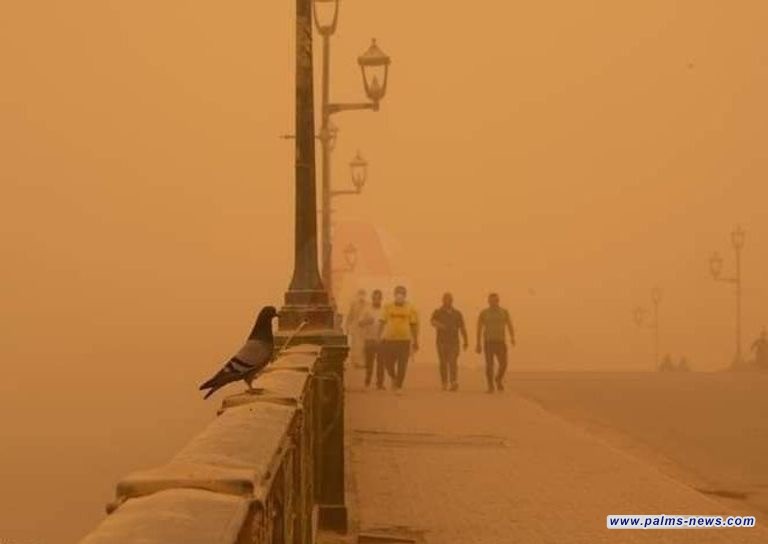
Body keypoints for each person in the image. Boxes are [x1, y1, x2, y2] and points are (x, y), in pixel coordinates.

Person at [379, 286, 419, 390]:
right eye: (398, 293)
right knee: (388, 363)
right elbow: (382, 322)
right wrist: (379, 336)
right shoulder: (388, 306)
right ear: (394, 294)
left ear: (405, 295)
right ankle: (393, 377)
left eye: (402, 293)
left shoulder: (410, 307)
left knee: (402, 364)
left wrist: (415, 340)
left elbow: (413, 325)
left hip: (404, 340)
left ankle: (399, 385)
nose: (400, 295)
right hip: (389, 340)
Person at [476, 293, 515, 393]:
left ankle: (498, 379)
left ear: (498, 301)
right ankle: (490, 386)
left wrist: (512, 337)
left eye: (495, 301)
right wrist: (478, 343)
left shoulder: (504, 312)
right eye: (491, 301)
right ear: (488, 301)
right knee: (489, 365)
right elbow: (479, 328)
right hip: (488, 342)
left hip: (500, 342)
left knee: (504, 364)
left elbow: (509, 325)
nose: (493, 303)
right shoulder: (484, 313)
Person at [430, 292, 468, 391]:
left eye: (450, 299)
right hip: (441, 342)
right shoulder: (438, 311)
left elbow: (462, 327)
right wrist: (441, 326)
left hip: (454, 342)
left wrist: (466, 340)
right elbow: (432, 322)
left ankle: (453, 381)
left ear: (452, 300)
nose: (448, 301)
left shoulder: (457, 313)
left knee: (453, 362)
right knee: (443, 362)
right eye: (446, 299)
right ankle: (444, 382)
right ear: (443, 300)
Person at [359, 289, 389, 388]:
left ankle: (380, 383)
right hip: (369, 339)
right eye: (374, 298)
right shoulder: (367, 310)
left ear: (381, 299)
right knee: (369, 363)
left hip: (381, 340)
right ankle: (367, 382)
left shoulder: (385, 310)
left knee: (381, 363)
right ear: (372, 299)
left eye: (378, 298)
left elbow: (388, 324)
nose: (376, 300)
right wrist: (367, 321)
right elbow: (360, 323)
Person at [345, 289, 367, 368]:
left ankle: (363, 362)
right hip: (356, 327)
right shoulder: (354, 304)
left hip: (364, 327)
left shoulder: (367, 304)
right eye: (360, 294)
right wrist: (347, 326)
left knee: (363, 345)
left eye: (363, 294)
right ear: (358, 295)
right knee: (356, 345)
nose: (362, 296)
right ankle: (355, 362)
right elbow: (350, 316)